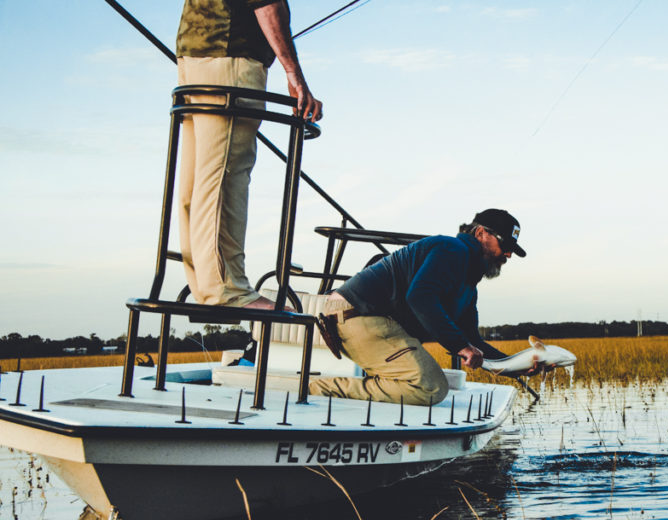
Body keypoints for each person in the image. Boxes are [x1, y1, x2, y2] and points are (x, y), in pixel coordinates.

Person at [176, 0, 323, 310]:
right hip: (232, 58)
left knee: (198, 178)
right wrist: (294, 73)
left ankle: (206, 288)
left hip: (195, 53)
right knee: (225, 175)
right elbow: (266, 4)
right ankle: (227, 291)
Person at [311, 209, 531, 406]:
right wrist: (460, 346)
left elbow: (473, 340)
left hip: (369, 319)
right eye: (505, 245)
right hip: (356, 314)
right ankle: (317, 389)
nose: (508, 254)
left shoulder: (468, 285)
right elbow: (420, 296)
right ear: (481, 233)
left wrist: (520, 366)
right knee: (431, 387)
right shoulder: (452, 249)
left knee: (426, 382)